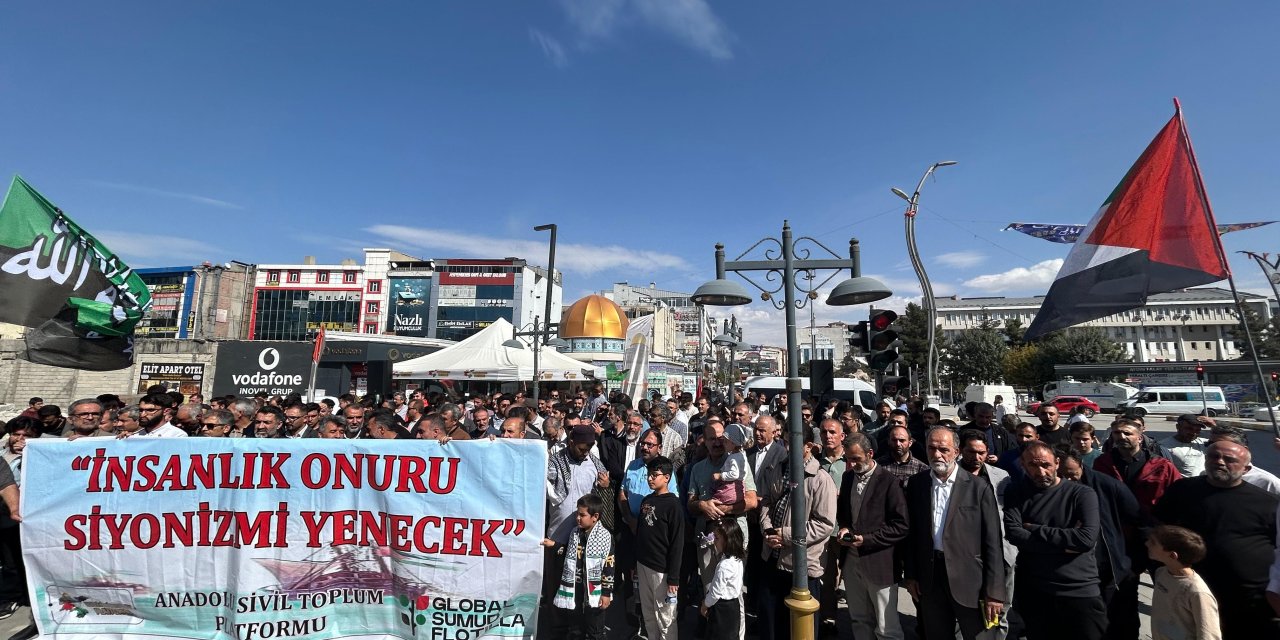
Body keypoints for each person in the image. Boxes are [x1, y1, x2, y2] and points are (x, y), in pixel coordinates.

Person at [1153, 440, 1280, 638]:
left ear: (1246, 468)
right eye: (1214, 456)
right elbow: (1159, 528)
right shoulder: (1182, 490)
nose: (1219, 462)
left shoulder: (1267, 502)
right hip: (1193, 591)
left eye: (1229, 459)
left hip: (1248, 598)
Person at [904, 427, 1006, 640]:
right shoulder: (917, 484)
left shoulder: (979, 488)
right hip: (931, 579)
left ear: (956, 451)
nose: (937, 455)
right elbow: (912, 534)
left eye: (943, 449)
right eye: (932, 448)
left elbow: (992, 543)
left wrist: (994, 592)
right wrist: (911, 575)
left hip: (971, 582)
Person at [1005, 441, 1105, 640]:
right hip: (1035, 589)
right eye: (1033, 465)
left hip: (1079, 589)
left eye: (1046, 465)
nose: (1041, 472)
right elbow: (1015, 533)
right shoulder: (1015, 491)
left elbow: (1085, 539)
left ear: (1057, 463)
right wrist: (1066, 544)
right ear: (1023, 465)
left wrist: (1034, 529)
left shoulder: (1082, 494)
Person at [757, 426, 836, 640]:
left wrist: (786, 535)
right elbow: (766, 501)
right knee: (771, 622)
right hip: (772, 557)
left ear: (808, 447)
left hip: (801, 565)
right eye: (783, 442)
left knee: (799, 626)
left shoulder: (820, 479)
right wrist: (767, 530)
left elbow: (824, 524)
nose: (785, 448)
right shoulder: (778, 468)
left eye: (790, 443)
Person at [1056, 446, 1141, 640]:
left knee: (1120, 624)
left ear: (1081, 465)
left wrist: (1134, 564)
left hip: (1112, 572)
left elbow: (1139, 523)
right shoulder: (1052, 490)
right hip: (1075, 576)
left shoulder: (1108, 486)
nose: (1068, 480)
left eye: (1072, 474)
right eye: (1062, 475)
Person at [836, 431, 908, 640]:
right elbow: (844, 513)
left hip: (880, 563)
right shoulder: (848, 477)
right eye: (848, 459)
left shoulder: (888, 481)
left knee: (887, 627)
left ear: (870, 454)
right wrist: (845, 528)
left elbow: (901, 525)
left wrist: (867, 540)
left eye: (856, 459)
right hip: (852, 560)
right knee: (859, 618)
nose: (852, 464)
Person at [548, 494, 614, 640]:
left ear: (595, 516)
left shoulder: (605, 536)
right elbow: (569, 553)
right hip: (575, 591)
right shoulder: (574, 533)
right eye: (577, 514)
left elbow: (609, 565)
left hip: (595, 593)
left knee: (595, 632)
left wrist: (606, 593)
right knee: (575, 630)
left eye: (582, 515)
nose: (578, 518)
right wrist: (554, 545)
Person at [634, 456, 684, 640]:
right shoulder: (646, 500)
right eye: (649, 474)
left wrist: (674, 578)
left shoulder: (674, 505)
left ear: (667, 477)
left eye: (655, 475)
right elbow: (640, 534)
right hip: (643, 564)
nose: (650, 478)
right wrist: (635, 564)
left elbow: (677, 543)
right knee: (648, 614)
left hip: (662, 571)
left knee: (666, 616)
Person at [1146, 525, 1222, 640]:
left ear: (1172, 555)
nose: (1147, 544)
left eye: (1153, 542)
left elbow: (1209, 634)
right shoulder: (1161, 573)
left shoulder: (1197, 592)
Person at [702, 521, 745, 640]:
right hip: (734, 606)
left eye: (717, 537)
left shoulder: (724, 566)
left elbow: (715, 593)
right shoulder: (737, 560)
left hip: (722, 609)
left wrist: (705, 605)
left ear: (727, 541)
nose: (714, 540)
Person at [876, 425, 928, 489]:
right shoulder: (877, 466)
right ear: (888, 442)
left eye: (902, 440)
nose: (898, 444)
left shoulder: (921, 469)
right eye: (894, 440)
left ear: (910, 443)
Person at [712, 423, 749, 505]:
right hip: (740, 488)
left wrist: (720, 476)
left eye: (726, 442)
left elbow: (734, 474)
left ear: (733, 443)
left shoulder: (734, 458)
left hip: (732, 488)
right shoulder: (741, 455)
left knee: (716, 500)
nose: (723, 444)